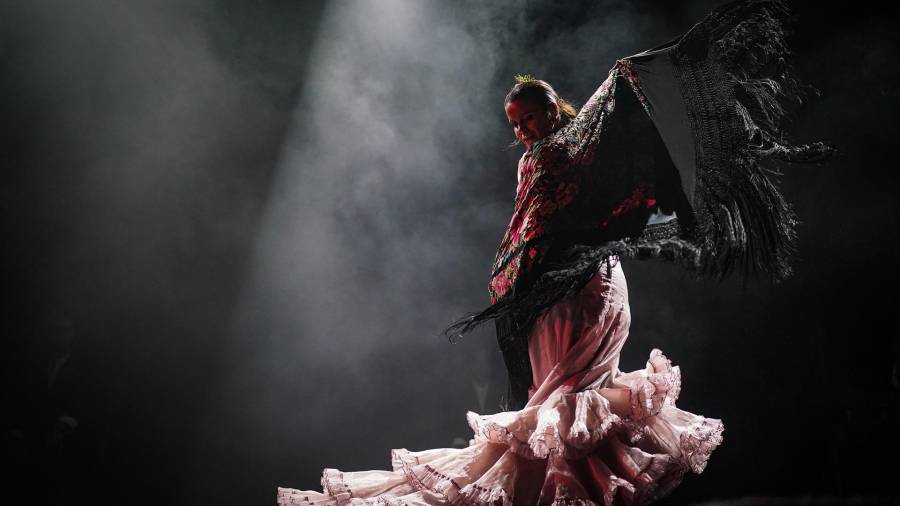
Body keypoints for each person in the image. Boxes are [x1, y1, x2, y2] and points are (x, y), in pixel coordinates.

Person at [277, 1, 834, 504]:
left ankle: (574, 492)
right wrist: (513, 285)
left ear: (551, 108)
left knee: (576, 394)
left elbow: (611, 108)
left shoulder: (581, 145)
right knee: (556, 401)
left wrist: (649, 71)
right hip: (551, 285)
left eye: (529, 118)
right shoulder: (533, 161)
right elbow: (528, 227)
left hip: (591, 281)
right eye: (514, 125)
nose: (522, 131)